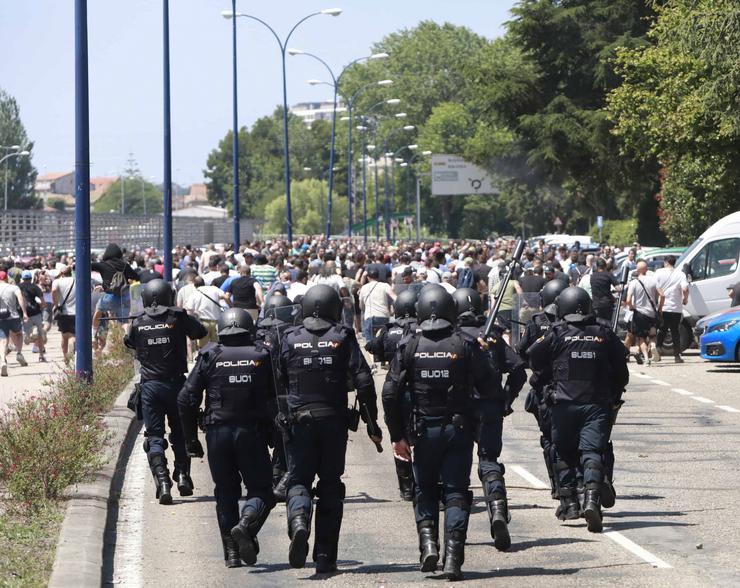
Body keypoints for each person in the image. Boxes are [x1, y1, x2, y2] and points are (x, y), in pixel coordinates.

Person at [382, 286, 496, 581]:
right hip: (458, 430)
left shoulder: (409, 345)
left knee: (425, 491)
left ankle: (429, 544)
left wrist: (398, 436)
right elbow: (490, 387)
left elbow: (390, 393)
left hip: (422, 431)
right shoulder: (465, 344)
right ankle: (453, 559)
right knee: (457, 492)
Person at [279, 285, 381, 574]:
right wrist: (372, 423)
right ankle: (324, 556)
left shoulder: (289, 337)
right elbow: (363, 381)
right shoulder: (343, 337)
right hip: (333, 422)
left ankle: (299, 520)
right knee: (330, 486)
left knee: (298, 480)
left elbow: (278, 380)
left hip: (298, 421)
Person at [178, 308, 276, 568]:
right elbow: (277, 397)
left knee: (225, 493)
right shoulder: (262, 355)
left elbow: (187, 398)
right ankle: (246, 524)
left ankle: (232, 554)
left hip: (217, 434)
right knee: (262, 490)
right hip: (252, 433)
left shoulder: (210, 355)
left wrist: (190, 439)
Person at [527, 287, 629, 532]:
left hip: (563, 404)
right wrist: (611, 393)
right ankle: (592, 500)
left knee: (562, 453)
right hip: (596, 405)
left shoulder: (556, 333)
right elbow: (622, 374)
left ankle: (570, 504)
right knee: (592, 452)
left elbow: (532, 358)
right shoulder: (604, 332)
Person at [452, 288, 526, 552]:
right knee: (489, 462)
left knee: (457, 471)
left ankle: (457, 535)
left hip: (458, 412)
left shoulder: (453, 339)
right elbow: (518, 369)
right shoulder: (492, 337)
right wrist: (506, 398)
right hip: (490, 408)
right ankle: (497, 509)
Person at [124, 279, 208, 505]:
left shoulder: (139, 321)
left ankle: (162, 482)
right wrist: (183, 317)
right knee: (180, 433)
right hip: (177, 386)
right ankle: (183, 476)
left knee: (154, 437)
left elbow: (129, 342)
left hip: (150, 387)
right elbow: (201, 331)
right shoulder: (178, 318)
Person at [516, 279, 567, 507]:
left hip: (545, 388)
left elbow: (522, 352)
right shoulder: (574, 325)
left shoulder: (537, 323)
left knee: (549, 439)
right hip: (570, 388)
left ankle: (558, 486)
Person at [365, 289, 419, 501]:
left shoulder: (388, 331)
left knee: (398, 435)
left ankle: (406, 485)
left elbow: (371, 347)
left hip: (395, 389)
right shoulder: (422, 330)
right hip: (418, 389)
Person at [255, 294, 299, 503]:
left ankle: (268, 476)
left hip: (259, 396)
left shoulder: (255, 334)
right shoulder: (290, 334)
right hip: (282, 393)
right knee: (285, 436)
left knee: (262, 438)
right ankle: (278, 474)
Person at [655, 255, 689, 363]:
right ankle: (677, 356)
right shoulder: (681, 274)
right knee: (675, 332)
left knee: (662, 330)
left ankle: (658, 351)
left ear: (665, 262)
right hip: (676, 307)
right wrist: (685, 299)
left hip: (663, 306)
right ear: (674, 262)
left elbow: (654, 286)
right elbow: (685, 288)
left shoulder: (659, 272)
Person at [92, 243, 138, 322]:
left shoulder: (103, 265)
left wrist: (73, 267)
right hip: (125, 297)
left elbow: (88, 266)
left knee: (98, 310)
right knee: (124, 321)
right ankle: (126, 333)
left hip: (110, 297)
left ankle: (93, 331)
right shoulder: (125, 265)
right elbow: (136, 277)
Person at [626, 260, 659, 365]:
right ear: (647, 269)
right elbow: (662, 294)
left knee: (641, 338)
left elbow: (628, 299)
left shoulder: (634, 282)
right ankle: (653, 346)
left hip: (640, 314)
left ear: (637, 270)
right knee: (653, 335)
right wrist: (658, 305)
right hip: (652, 313)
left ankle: (646, 359)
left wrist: (631, 307)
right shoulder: (653, 281)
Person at [185, 276, 229, 346]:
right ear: (204, 283)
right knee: (217, 346)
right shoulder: (214, 288)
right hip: (217, 322)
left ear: (194, 285)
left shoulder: (194, 293)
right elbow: (226, 296)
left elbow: (189, 310)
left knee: (203, 347)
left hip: (203, 323)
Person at [0, 270, 28, 375]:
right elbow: (20, 299)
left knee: (3, 340)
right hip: (13, 316)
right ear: (6, 278)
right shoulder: (14, 287)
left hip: (1, 318)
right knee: (19, 334)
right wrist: (25, 313)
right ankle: (19, 353)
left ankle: (3, 360)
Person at [358, 267, 396, 342]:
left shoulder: (363, 288)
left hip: (369, 317)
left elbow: (361, 306)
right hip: (383, 316)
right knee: (384, 340)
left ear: (368, 277)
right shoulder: (385, 285)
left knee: (370, 343)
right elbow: (395, 298)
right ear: (378, 276)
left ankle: (371, 353)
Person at [19, 270, 47, 362]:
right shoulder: (35, 287)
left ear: (22, 278)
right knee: (40, 334)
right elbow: (43, 302)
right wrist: (42, 306)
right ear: (31, 278)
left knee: (24, 334)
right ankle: (41, 356)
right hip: (35, 312)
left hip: (24, 313)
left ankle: (27, 336)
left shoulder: (17, 287)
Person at [51, 264, 76, 365]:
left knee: (64, 336)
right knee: (73, 335)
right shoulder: (76, 280)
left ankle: (66, 357)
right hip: (76, 312)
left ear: (61, 273)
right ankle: (72, 346)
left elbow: (53, 290)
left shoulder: (57, 281)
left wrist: (56, 304)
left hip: (63, 312)